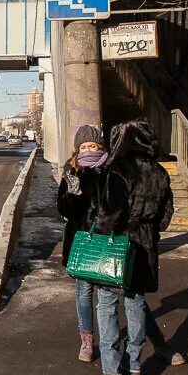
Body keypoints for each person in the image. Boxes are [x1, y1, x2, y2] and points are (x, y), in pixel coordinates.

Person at [94, 118, 174, 375]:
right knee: (136, 303)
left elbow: (109, 215)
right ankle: (135, 367)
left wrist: (100, 230)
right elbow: (165, 220)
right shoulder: (160, 174)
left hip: (118, 247)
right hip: (146, 247)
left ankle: (112, 373)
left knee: (106, 306)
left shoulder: (118, 171)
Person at [57, 125, 109, 363]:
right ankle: (87, 340)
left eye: (93, 145)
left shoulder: (110, 170)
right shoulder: (72, 171)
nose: (88, 150)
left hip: (108, 241)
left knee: (115, 293)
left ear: (101, 146)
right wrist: (72, 194)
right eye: (84, 146)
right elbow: (63, 209)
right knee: (84, 292)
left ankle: (117, 340)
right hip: (81, 241)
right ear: (77, 149)